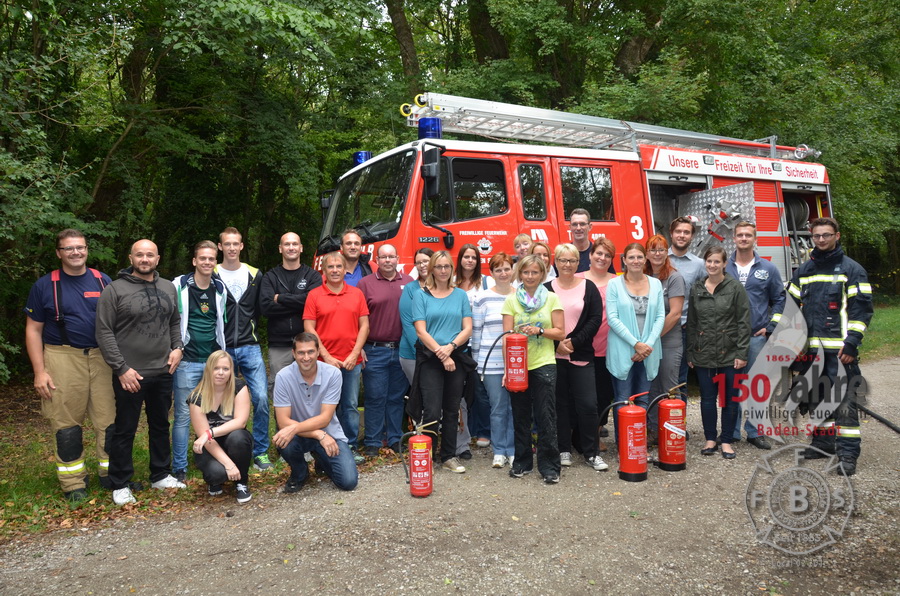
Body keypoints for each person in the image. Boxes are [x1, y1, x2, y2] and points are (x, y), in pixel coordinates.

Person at [24, 229, 115, 502]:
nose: (76, 252)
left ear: (87, 249)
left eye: (80, 247)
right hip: (62, 358)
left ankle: (111, 475)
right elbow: (32, 331)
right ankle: (73, 483)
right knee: (66, 426)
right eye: (68, 248)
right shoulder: (44, 285)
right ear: (58, 253)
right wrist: (40, 372)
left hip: (101, 358)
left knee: (109, 421)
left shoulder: (103, 281)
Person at [95, 239, 186, 505]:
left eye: (149, 255)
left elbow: (175, 321)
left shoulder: (169, 287)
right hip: (130, 374)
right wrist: (121, 369)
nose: (144, 259)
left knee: (160, 425)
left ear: (157, 259)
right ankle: (120, 483)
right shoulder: (114, 290)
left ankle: (160, 474)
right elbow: (103, 331)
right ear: (131, 258)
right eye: (139, 255)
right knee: (125, 429)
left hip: (163, 370)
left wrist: (178, 347)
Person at [788, 217, 872, 476]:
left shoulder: (852, 269)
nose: (821, 239)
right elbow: (790, 309)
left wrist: (851, 345)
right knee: (817, 399)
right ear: (811, 237)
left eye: (826, 235)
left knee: (845, 404)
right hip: (812, 353)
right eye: (817, 236)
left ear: (837, 236)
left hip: (840, 353)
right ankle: (823, 444)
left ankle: (847, 453)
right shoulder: (805, 270)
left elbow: (862, 311)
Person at [409, 251, 474, 474]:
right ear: (432, 269)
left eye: (447, 266)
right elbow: (420, 330)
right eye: (439, 267)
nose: (443, 271)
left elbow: (467, 328)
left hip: (455, 356)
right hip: (430, 358)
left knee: (452, 408)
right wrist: (442, 353)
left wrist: (451, 348)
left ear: (451, 269)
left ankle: (448, 455)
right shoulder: (421, 295)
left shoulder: (460, 295)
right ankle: (427, 456)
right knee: (432, 410)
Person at [502, 255, 565, 484]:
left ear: (542, 274)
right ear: (520, 274)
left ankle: (549, 466)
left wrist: (539, 331)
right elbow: (506, 339)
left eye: (535, 272)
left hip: (544, 362)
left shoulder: (551, 299)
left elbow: (560, 332)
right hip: (518, 367)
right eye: (526, 272)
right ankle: (522, 462)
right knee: (520, 415)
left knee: (546, 415)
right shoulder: (511, 301)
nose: (530, 276)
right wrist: (507, 370)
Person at [214, 227, 273, 471]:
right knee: (220, 402)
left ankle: (260, 451)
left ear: (241, 246)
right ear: (220, 247)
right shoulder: (212, 272)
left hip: (250, 345)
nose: (231, 248)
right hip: (221, 348)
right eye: (227, 243)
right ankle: (224, 449)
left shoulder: (254, 274)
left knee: (260, 397)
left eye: (235, 243)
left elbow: (259, 308)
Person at [303, 251, 369, 462]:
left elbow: (365, 325)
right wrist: (326, 356)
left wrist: (355, 353)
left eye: (338, 267)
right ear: (323, 269)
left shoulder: (356, 294)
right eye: (330, 267)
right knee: (322, 406)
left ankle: (349, 446)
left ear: (344, 269)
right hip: (323, 362)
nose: (334, 270)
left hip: (351, 361)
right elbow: (309, 327)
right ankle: (322, 445)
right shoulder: (314, 295)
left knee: (349, 405)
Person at [272, 332, 359, 493]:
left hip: (329, 433)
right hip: (301, 436)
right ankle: (300, 472)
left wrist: (322, 434)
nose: (306, 357)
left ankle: (321, 458)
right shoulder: (283, 377)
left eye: (310, 352)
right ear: (293, 354)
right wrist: (319, 435)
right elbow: (283, 422)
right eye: (301, 353)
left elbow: (325, 418)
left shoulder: (333, 374)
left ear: (318, 352)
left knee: (348, 482)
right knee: (284, 439)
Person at [686, 246, 750, 460]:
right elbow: (692, 323)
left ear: (724, 264)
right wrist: (691, 353)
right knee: (707, 398)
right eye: (709, 261)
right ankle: (710, 439)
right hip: (703, 352)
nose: (712, 265)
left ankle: (727, 441)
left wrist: (741, 353)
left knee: (730, 400)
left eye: (716, 262)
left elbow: (743, 321)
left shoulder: (734, 288)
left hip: (730, 353)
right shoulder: (697, 288)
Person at [171, 240, 228, 482]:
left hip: (212, 361)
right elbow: (172, 320)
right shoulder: (179, 286)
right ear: (194, 261)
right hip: (188, 361)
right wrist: (176, 348)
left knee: (214, 412)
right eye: (202, 258)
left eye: (211, 259)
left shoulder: (219, 288)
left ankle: (211, 456)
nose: (207, 262)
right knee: (184, 415)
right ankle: (179, 467)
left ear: (216, 262)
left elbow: (220, 323)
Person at [547, 244, 607, 471]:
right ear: (556, 261)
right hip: (553, 357)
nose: (567, 264)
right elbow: (542, 321)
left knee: (588, 405)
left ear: (577, 263)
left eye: (572, 260)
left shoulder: (588, 287)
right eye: (563, 260)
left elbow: (594, 320)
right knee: (560, 405)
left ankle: (591, 452)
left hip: (581, 355)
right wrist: (557, 344)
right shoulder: (546, 289)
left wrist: (573, 342)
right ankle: (564, 449)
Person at [726, 222, 785, 450]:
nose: (743, 238)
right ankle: (730, 432)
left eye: (747, 235)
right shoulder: (723, 266)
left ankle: (755, 431)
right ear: (734, 238)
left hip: (755, 337)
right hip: (728, 338)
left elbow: (780, 299)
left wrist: (771, 326)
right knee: (731, 385)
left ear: (754, 238)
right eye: (739, 235)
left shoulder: (768, 269)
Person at [357, 244, 412, 457]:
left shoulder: (409, 283)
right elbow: (357, 318)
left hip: (401, 349)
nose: (387, 260)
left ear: (397, 258)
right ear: (377, 260)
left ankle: (395, 438)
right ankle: (372, 440)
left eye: (391, 256)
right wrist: (359, 347)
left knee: (396, 397)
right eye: (383, 257)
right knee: (374, 396)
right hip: (374, 349)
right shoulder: (365, 284)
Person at [606, 243, 665, 441]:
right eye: (631, 257)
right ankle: (624, 446)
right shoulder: (614, 284)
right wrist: (636, 344)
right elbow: (612, 318)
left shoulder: (655, 284)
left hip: (649, 352)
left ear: (645, 258)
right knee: (623, 401)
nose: (636, 261)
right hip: (623, 352)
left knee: (644, 400)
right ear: (624, 260)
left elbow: (660, 317)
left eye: (639, 257)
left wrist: (646, 345)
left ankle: (638, 444)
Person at [259, 232, 322, 394]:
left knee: (309, 392)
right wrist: (300, 303)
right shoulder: (270, 277)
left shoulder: (313, 276)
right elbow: (266, 308)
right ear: (280, 249)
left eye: (295, 244)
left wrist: (281, 298)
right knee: (281, 393)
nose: (291, 247)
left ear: (301, 248)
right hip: (279, 345)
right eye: (287, 244)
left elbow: (314, 303)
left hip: (307, 343)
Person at [188, 350, 253, 503]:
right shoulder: (196, 397)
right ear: (208, 370)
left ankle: (241, 482)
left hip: (233, 440)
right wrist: (229, 464)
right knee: (217, 473)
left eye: (225, 369)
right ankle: (215, 481)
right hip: (209, 446)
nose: (220, 373)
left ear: (231, 371)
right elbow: (207, 441)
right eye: (216, 368)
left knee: (239, 436)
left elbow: (240, 422)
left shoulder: (239, 387)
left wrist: (209, 432)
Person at [471, 253, 516, 468]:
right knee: (498, 407)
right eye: (498, 270)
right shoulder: (483, 297)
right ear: (492, 273)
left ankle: (513, 448)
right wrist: (477, 362)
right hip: (491, 361)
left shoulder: (522, 295)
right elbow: (476, 331)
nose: (503, 273)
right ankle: (499, 450)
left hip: (517, 363)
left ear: (513, 271)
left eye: (507, 269)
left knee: (515, 408)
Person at [644, 235, 686, 444]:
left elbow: (675, 314)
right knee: (650, 387)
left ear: (666, 252)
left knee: (669, 387)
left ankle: (674, 430)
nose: (657, 254)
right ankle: (653, 430)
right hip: (648, 343)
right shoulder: (642, 275)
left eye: (661, 250)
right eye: (653, 250)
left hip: (668, 341)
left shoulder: (674, 278)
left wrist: (652, 337)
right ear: (647, 254)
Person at [455, 243, 494, 454]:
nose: (470, 260)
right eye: (466, 256)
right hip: (457, 344)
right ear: (460, 259)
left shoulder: (486, 282)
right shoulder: (452, 282)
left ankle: (484, 430)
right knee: (460, 392)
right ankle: (463, 432)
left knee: (479, 391)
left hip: (480, 344)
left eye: (473, 257)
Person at [578, 237, 617, 448]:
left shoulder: (619, 281)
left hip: (609, 348)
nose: (602, 258)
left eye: (607, 255)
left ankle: (596, 430)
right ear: (590, 255)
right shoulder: (577, 278)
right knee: (582, 395)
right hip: (581, 346)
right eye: (599, 253)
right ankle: (579, 433)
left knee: (604, 395)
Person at [668, 216, 705, 402]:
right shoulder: (658, 258)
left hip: (682, 329)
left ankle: (677, 427)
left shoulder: (699, 265)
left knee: (679, 379)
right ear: (671, 234)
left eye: (686, 232)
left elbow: (705, 297)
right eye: (678, 231)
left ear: (691, 236)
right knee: (655, 377)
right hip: (656, 328)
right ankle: (655, 424)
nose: (682, 235)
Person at [399, 248, 434, 383]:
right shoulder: (410, 288)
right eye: (418, 263)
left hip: (441, 352)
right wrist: (423, 354)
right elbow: (408, 324)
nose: (422, 265)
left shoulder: (447, 288)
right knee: (422, 395)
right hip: (413, 354)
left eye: (426, 261)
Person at [568, 208, 594, 272]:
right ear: (570, 227)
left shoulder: (598, 253)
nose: (578, 228)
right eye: (574, 224)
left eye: (582, 224)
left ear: (590, 227)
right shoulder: (563, 254)